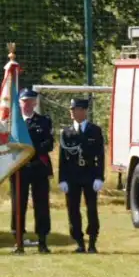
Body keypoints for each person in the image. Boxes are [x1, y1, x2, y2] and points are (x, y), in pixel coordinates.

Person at [58, 98, 104, 254]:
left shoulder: (94, 130)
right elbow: (62, 158)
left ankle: (92, 241)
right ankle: (79, 241)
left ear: (83, 111)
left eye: (75, 109)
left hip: (89, 174)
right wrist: (62, 179)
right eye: (71, 109)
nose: (72, 112)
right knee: (73, 209)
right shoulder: (66, 132)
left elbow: (100, 156)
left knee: (91, 209)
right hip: (72, 176)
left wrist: (99, 177)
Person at [9, 88, 53, 253]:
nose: (27, 104)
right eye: (24, 101)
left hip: (38, 167)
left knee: (41, 205)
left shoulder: (44, 121)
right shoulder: (13, 123)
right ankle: (18, 240)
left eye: (30, 101)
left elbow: (49, 143)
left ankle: (42, 241)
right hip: (19, 168)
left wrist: (31, 151)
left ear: (35, 103)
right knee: (18, 205)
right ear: (19, 103)